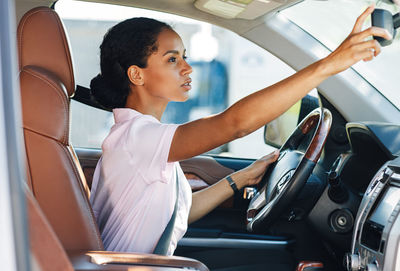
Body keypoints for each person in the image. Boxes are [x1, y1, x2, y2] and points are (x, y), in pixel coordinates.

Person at [89, 4, 391, 256]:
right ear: (136, 74)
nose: (187, 68)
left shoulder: (139, 137)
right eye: (172, 59)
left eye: (184, 57)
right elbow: (234, 124)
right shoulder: (136, 138)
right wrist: (329, 65)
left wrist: (241, 178)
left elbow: (179, 212)